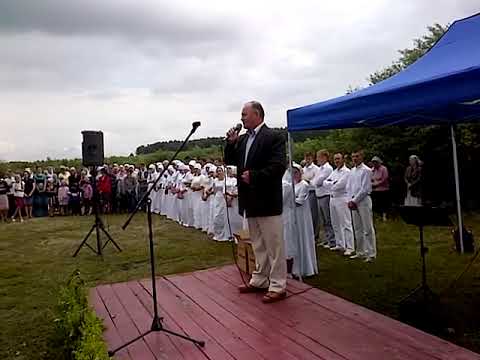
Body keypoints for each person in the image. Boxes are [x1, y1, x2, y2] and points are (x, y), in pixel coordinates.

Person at [225, 100, 287, 303]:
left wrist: (255, 176)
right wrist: (231, 143)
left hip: (267, 200)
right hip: (249, 200)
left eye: (244, 114)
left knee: (274, 245)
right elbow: (231, 161)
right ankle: (260, 279)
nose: (241, 118)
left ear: (257, 114)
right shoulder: (242, 139)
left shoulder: (274, 137)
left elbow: (278, 167)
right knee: (258, 243)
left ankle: (278, 285)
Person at [283, 164, 318, 278]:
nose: (294, 175)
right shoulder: (291, 185)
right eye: (292, 172)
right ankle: (293, 266)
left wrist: (288, 199)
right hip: (293, 216)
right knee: (293, 240)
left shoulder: (304, 185)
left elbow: (300, 201)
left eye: (296, 172)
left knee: (302, 238)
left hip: (301, 216)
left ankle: (306, 266)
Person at [347, 150, 377, 262]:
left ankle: (371, 253)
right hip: (353, 201)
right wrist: (349, 200)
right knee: (357, 227)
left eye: (357, 156)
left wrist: (354, 200)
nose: (355, 158)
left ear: (362, 157)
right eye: (353, 156)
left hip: (363, 201)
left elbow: (365, 189)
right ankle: (360, 251)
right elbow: (349, 187)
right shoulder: (352, 171)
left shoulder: (366, 170)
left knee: (367, 227)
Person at [323, 153, 354, 256]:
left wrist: (331, 184)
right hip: (332, 198)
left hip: (342, 198)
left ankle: (350, 247)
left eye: (338, 159)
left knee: (346, 223)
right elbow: (324, 183)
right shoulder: (334, 172)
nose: (337, 161)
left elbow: (340, 185)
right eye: (335, 159)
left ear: (343, 160)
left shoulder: (347, 172)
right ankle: (340, 244)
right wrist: (332, 183)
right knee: (335, 223)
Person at [312, 149, 334, 248]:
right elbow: (315, 180)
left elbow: (318, 182)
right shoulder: (320, 169)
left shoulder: (328, 168)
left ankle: (332, 240)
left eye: (318, 157)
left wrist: (314, 181)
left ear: (324, 157)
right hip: (319, 195)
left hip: (325, 195)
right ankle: (326, 239)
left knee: (328, 219)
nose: (317, 159)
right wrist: (314, 181)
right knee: (323, 220)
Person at [302, 152, 319, 239]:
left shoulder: (316, 169)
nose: (307, 160)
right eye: (306, 158)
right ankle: (309, 233)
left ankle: (315, 235)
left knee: (314, 214)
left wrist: (308, 180)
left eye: (309, 158)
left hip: (312, 192)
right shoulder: (304, 169)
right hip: (305, 192)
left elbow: (315, 182)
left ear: (312, 159)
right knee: (307, 214)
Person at [371, 156, 390, 221]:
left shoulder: (383, 168)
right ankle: (378, 216)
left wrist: (377, 183)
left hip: (383, 189)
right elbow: (370, 177)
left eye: (376, 162)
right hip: (375, 189)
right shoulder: (373, 169)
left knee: (383, 203)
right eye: (373, 162)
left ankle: (384, 216)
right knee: (376, 204)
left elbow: (385, 178)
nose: (374, 164)